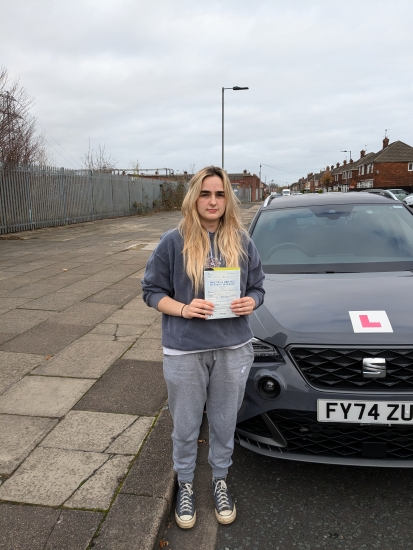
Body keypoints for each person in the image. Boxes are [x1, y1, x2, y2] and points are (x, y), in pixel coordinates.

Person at [141, 166, 265, 529]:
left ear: (228, 199)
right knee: (185, 423)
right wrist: (183, 308)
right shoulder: (172, 241)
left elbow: (258, 286)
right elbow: (151, 292)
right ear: (194, 197)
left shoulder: (242, 241)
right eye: (206, 194)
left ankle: (220, 479)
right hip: (185, 350)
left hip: (232, 347)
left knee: (225, 420)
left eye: (220, 194)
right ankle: (185, 483)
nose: (213, 201)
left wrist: (251, 302)